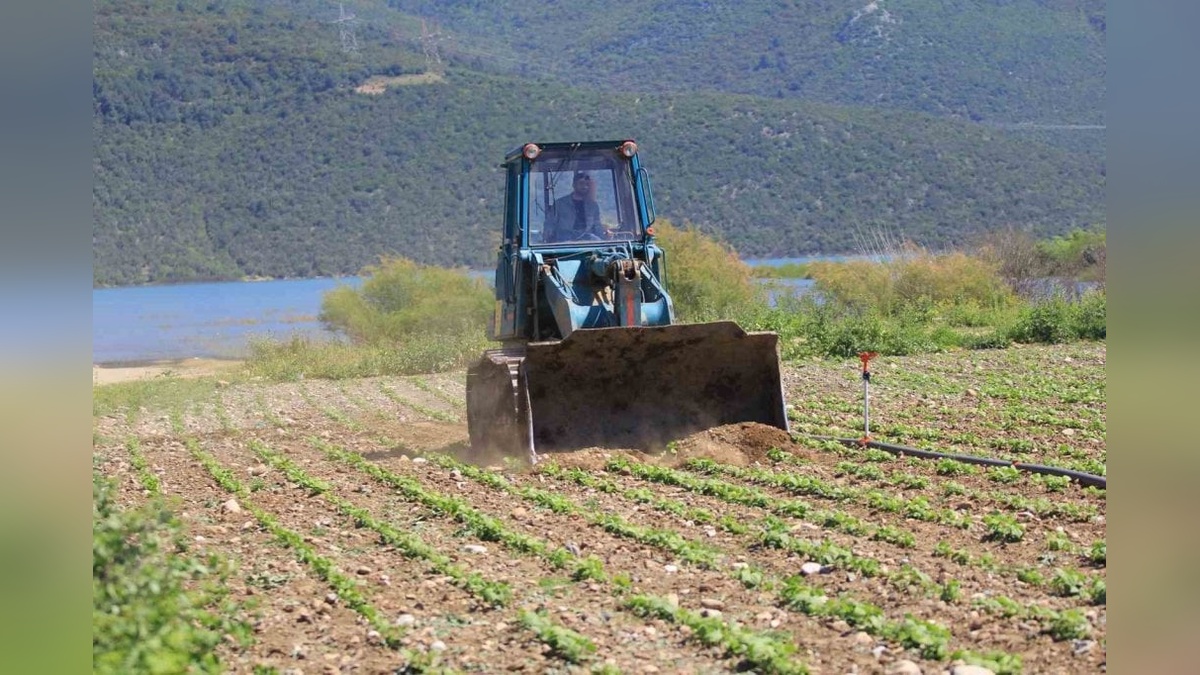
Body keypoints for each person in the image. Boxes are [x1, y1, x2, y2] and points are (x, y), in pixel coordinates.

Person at [543, 171, 605, 243]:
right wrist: (547, 237)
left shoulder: (593, 206)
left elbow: (597, 225)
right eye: (581, 183)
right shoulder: (560, 204)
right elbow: (550, 223)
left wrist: (604, 240)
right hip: (564, 240)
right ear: (574, 185)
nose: (584, 186)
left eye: (587, 184)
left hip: (587, 240)